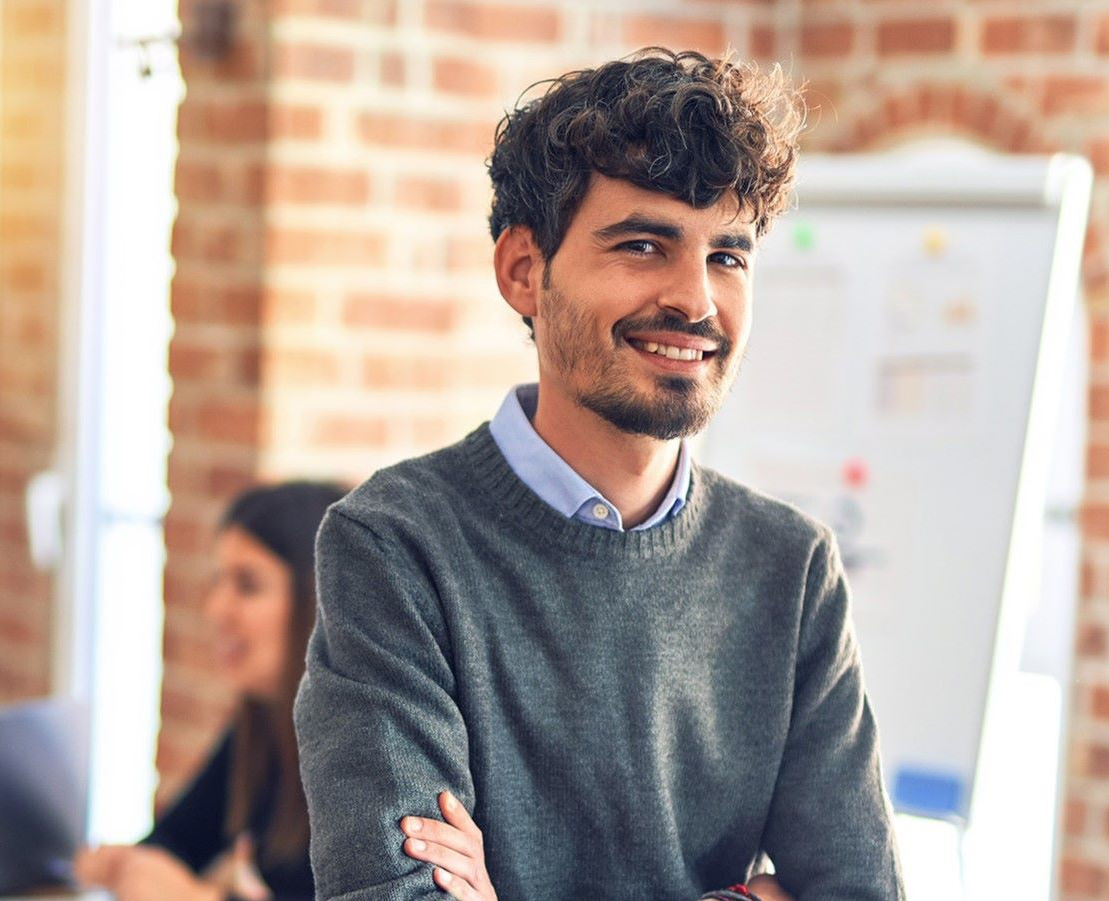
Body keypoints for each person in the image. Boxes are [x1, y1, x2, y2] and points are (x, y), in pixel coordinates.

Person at [293, 48, 906, 901]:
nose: (695, 300)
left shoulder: (789, 566)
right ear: (522, 271)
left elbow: (860, 891)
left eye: (726, 256)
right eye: (643, 245)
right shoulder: (396, 543)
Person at [75, 481, 347, 901]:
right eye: (219, 580)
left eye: (247, 586)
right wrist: (130, 865)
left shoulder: (366, 758)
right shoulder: (262, 724)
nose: (216, 608)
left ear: (318, 601)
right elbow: (177, 843)